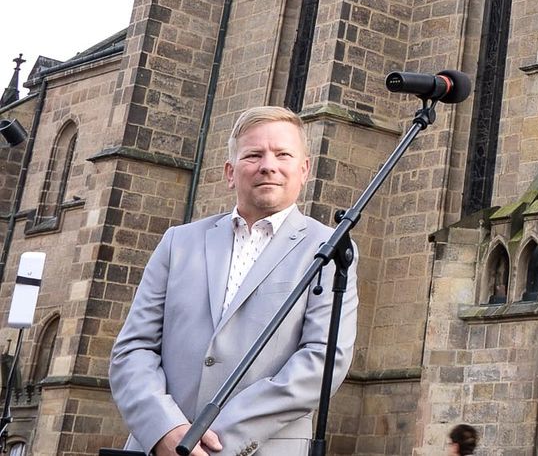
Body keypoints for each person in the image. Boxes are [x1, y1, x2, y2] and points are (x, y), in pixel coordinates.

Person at [110, 107, 358, 456]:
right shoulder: (178, 242)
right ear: (230, 172)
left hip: (260, 448)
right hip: (158, 446)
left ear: (304, 170)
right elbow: (133, 348)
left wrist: (211, 439)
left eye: (283, 154)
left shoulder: (329, 250)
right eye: (254, 155)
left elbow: (322, 360)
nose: (268, 165)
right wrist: (164, 428)